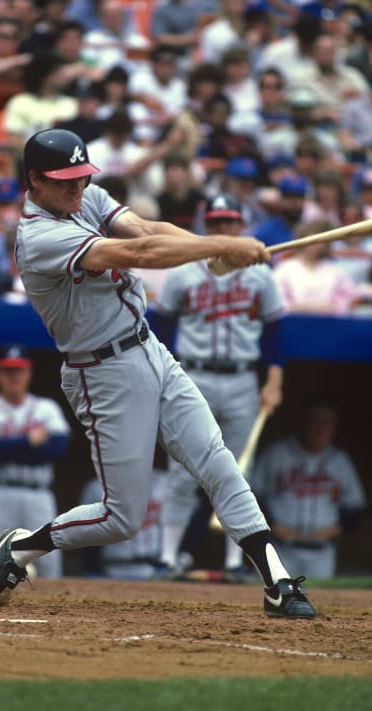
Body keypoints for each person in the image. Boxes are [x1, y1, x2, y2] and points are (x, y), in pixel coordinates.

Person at [0, 127, 316, 620]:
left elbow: (148, 231)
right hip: (102, 372)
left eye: (81, 177)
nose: (77, 187)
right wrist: (222, 244)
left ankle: (277, 580)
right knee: (121, 517)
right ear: (34, 181)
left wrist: (211, 250)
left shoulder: (84, 200)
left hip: (149, 347)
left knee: (217, 460)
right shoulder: (39, 236)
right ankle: (22, 549)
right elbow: (139, 255)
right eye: (65, 180)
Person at [155, 193, 285, 583]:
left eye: (229, 223)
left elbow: (275, 333)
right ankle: (166, 559)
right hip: (194, 375)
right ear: (205, 226)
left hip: (243, 377)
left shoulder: (261, 273)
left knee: (237, 471)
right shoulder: (184, 270)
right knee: (180, 471)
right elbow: (159, 327)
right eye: (215, 223)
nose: (222, 229)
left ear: (240, 226)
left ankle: (234, 563)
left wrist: (273, 381)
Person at [0, 344, 71, 578]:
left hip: (37, 495)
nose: (13, 376)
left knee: (48, 567)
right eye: (7, 370)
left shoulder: (46, 408)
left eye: (19, 370)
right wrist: (29, 442)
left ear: (29, 373)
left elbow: (57, 449)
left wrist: (4, 444)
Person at [250, 400, 368, 579]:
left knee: (323, 604)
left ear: (334, 429)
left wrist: (338, 529)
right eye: (315, 421)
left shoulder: (340, 461)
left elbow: (357, 508)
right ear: (304, 423)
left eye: (326, 422)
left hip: (322, 553)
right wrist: (271, 524)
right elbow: (252, 495)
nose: (320, 428)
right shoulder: (277, 453)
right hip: (280, 548)